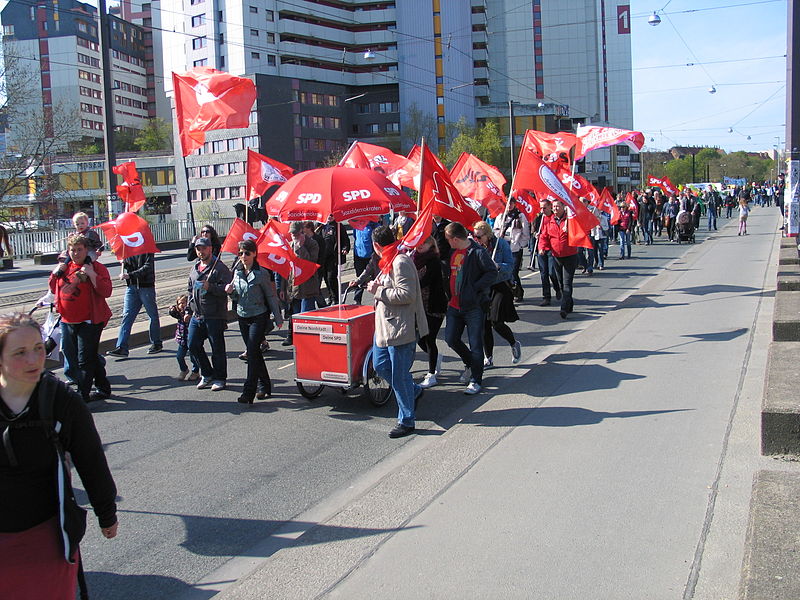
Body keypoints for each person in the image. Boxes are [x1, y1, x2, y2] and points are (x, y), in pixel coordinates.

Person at [0, 313, 118, 599]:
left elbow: (90, 459)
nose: (33, 360)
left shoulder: (60, 400)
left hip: (47, 536)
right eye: (20, 353)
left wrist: (106, 512)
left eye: (38, 349)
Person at [366, 226, 428, 438]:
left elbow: (407, 295)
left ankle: (407, 420)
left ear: (376, 245)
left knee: (399, 376)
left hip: (399, 327)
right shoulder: (387, 261)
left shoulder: (400, 262)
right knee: (380, 365)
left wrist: (379, 291)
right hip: (384, 327)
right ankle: (414, 390)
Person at [49, 234, 113, 403]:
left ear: (86, 251)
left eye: (80, 250)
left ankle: (81, 396)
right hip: (68, 320)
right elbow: (54, 288)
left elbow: (106, 291)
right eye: (73, 250)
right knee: (80, 356)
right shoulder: (66, 267)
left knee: (84, 360)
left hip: (90, 321)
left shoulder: (97, 268)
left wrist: (92, 275)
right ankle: (103, 387)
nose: (76, 253)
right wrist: (55, 273)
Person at [225, 239, 283, 404]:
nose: (243, 256)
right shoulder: (237, 273)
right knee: (255, 353)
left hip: (258, 316)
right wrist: (230, 292)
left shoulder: (262, 273)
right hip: (243, 316)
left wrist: (278, 318)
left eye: (247, 253)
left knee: (251, 352)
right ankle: (265, 385)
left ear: (254, 254)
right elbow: (237, 296)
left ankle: (248, 392)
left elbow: (270, 296)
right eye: (241, 253)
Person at [443, 222, 497, 395]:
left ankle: (476, 379)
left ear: (456, 239)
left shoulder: (477, 252)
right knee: (451, 339)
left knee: (475, 343)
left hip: (472, 306)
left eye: (448, 239)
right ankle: (471, 364)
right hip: (454, 304)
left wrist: (474, 288)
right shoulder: (453, 252)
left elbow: (491, 272)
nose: (447, 242)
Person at [473, 221, 522, 368]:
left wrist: (498, 266)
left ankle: (513, 343)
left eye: (479, 236)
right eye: (475, 236)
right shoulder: (475, 247)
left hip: (500, 285)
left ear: (487, 234)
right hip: (484, 287)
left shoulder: (501, 244)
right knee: (484, 324)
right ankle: (488, 357)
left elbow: (510, 266)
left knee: (496, 321)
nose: (476, 239)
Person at [188, 237, 232, 392]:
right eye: (198, 249)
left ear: (211, 249)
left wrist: (211, 287)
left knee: (217, 349)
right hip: (197, 314)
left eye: (204, 248)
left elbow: (228, 288)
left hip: (214, 315)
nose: (201, 252)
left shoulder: (220, 268)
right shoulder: (194, 268)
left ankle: (220, 378)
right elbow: (190, 290)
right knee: (192, 344)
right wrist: (188, 309)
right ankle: (207, 373)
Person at [106, 252, 162, 357]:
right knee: (127, 316)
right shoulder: (128, 249)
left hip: (146, 287)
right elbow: (131, 266)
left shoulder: (147, 250)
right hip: (131, 287)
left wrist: (129, 275)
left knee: (152, 315)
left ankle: (156, 343)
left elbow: (147, 267)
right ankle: (122, 347)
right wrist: (124, 263)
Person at [412, 236, 447, 388]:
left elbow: (424, 281)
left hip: (434, 305)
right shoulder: (413, 258)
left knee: (429, 338)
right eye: (418, 242)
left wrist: (407, 285)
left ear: (431, 244)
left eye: (424, 243)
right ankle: (435, 357)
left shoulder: (434, 260)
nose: (420, 245)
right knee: (418, 337)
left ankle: (432, 374)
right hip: (419, 306)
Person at [280, 221, 321, 346]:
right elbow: (285, 268)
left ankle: (307, 342)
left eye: (296, 234)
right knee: (294, 314)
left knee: (305, 316)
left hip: (308, 287)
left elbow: (310, 263)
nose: (293, 236)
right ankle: (292, 336)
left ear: (302, 233)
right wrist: (282, 288)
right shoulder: (290, 245)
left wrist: (300, 248)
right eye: (291, 234)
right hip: (294, 286)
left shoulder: (312, 244)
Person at [538, 200, 578, 319]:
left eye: (557, 206)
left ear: (563, 207)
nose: (555, 209)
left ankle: (564, 308)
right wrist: (542, 248)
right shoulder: (549, 221)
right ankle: (569, 303)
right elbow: (544, 236)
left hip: (570, 255)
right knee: (560, 283)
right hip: (556, 256)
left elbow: (579, 232)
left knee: (567, 283)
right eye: (554, 206)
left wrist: (570, 230)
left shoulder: (570, 220)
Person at [494, 198, 530, 302]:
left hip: (515, 247)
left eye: (511, 203)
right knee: (504, 271)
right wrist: (499, 235)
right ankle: (511, 292)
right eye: (506, 204)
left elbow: (525, 232)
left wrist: (520, 244)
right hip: (503, 246)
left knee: (513, 271)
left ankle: (518, 291)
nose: (509, 206)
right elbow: (495, 229)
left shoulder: (520, 216)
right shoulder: (501, 216)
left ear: (514, 204)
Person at [532, 200, 562, 306]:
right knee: (543, 274)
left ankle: (557, 288)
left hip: (552, 248)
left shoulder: (555, 218)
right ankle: (546, 297)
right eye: (541, 208)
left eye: (544, 208)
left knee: (551, 272)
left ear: (550, 207)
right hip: (541, 248)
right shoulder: (540, 218)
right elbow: (535, 230)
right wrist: (536, 234)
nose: (542, 210)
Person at [320, 215, 350, 305]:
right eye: (328, 215)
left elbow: (345, 240)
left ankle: (335, 298)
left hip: (333, 257)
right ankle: (330, 296)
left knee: (331, 277)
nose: (329, 217)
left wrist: (345, 248)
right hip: (323, 257)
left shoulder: (338, 226)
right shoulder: (321, 226)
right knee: (325, 278)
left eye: (332, 215)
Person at [169, 294, 199, 381]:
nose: (181, 305)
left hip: (191, 339)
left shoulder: (192, 313)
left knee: (194, 357)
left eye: (184, 303)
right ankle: (184, 370)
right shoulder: (179, 314)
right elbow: (173, 313)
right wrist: (172, 309)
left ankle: (195, 372)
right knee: (179, 356)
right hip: (182, 340)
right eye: (179, 303)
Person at [352, 221, 378, 304]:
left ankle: (377, 299)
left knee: (375, 279)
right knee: (359, 277)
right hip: (358, 256)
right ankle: (357, 300)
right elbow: (355, 237)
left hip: (371, 257)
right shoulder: (356, 225)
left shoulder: (374, 226)